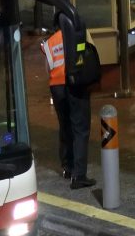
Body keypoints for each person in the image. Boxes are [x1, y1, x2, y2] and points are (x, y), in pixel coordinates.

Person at [41, 18, 95, 189]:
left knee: (65, 126)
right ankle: (79, 176)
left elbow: (48, 67)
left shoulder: (49, 43)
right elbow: (90, 53)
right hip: (75, 85)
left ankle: (67, 168)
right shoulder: (77, 35)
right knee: (80, 128)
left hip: (56, 88)